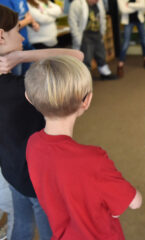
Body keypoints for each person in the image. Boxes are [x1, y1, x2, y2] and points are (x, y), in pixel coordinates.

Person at [24, 55, 142, 239]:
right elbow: (134, 202)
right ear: (86, 101)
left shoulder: (33, 144)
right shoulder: (93, 159)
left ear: (29, 99)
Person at [0, 4, 84, 240]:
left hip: (12, 172)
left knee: (22, 227)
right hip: (42, 179)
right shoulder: (24, 88)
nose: (22, 36)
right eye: (18, 30)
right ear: (1, 36)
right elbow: (76, 57)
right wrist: (23, 55)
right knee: (52, 229)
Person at [69, 0, 117, 80]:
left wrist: (103, 31)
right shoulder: (76, 4)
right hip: (85, 35)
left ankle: (105, 73)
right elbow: (72, 22)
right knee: (87, 57)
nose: (97, 1)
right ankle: (84, 79)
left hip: (97, 33)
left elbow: (102, 17)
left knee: (101, 53)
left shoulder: (99, 3)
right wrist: (76, 37)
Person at [117, 0, 145, 78]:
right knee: (126, 43)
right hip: (128, 22)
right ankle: (120, 65)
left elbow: (143, 5)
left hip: (139, 20)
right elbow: (123, 10)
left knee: (144, 41)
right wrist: (137, 6)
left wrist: (130, 4)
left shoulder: (129, 4)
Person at [0, 0, 39, 75]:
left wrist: (33, 22)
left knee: (28, 75)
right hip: (11, 49)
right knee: (15, 77)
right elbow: (6, 26)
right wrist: (27, 21)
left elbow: (28, 15)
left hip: (25, 44)